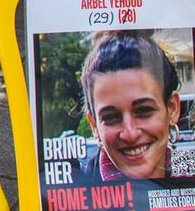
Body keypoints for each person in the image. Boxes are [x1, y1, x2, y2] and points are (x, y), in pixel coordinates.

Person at [76, 32, 186, 184]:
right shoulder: (72, 199)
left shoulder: (189, 172)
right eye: (110, 117)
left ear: (172, 109)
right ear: (94, 125)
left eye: (144, 111)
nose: (130, 134)